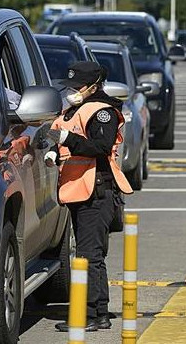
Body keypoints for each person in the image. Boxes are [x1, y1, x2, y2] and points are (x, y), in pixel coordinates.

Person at [45, 61, 134, 332]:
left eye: (78, 86)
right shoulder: (74, 109)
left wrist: (66, 140)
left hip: (97, 191)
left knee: (88, 255)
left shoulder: (102, 111)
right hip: (79, 190)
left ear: (93, 86)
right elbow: (63, 139)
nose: (72, 90)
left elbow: (101, 146)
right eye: (70, 86)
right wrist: (54, 149)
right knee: (88, 254)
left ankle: (91, 315)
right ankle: (98, 313)